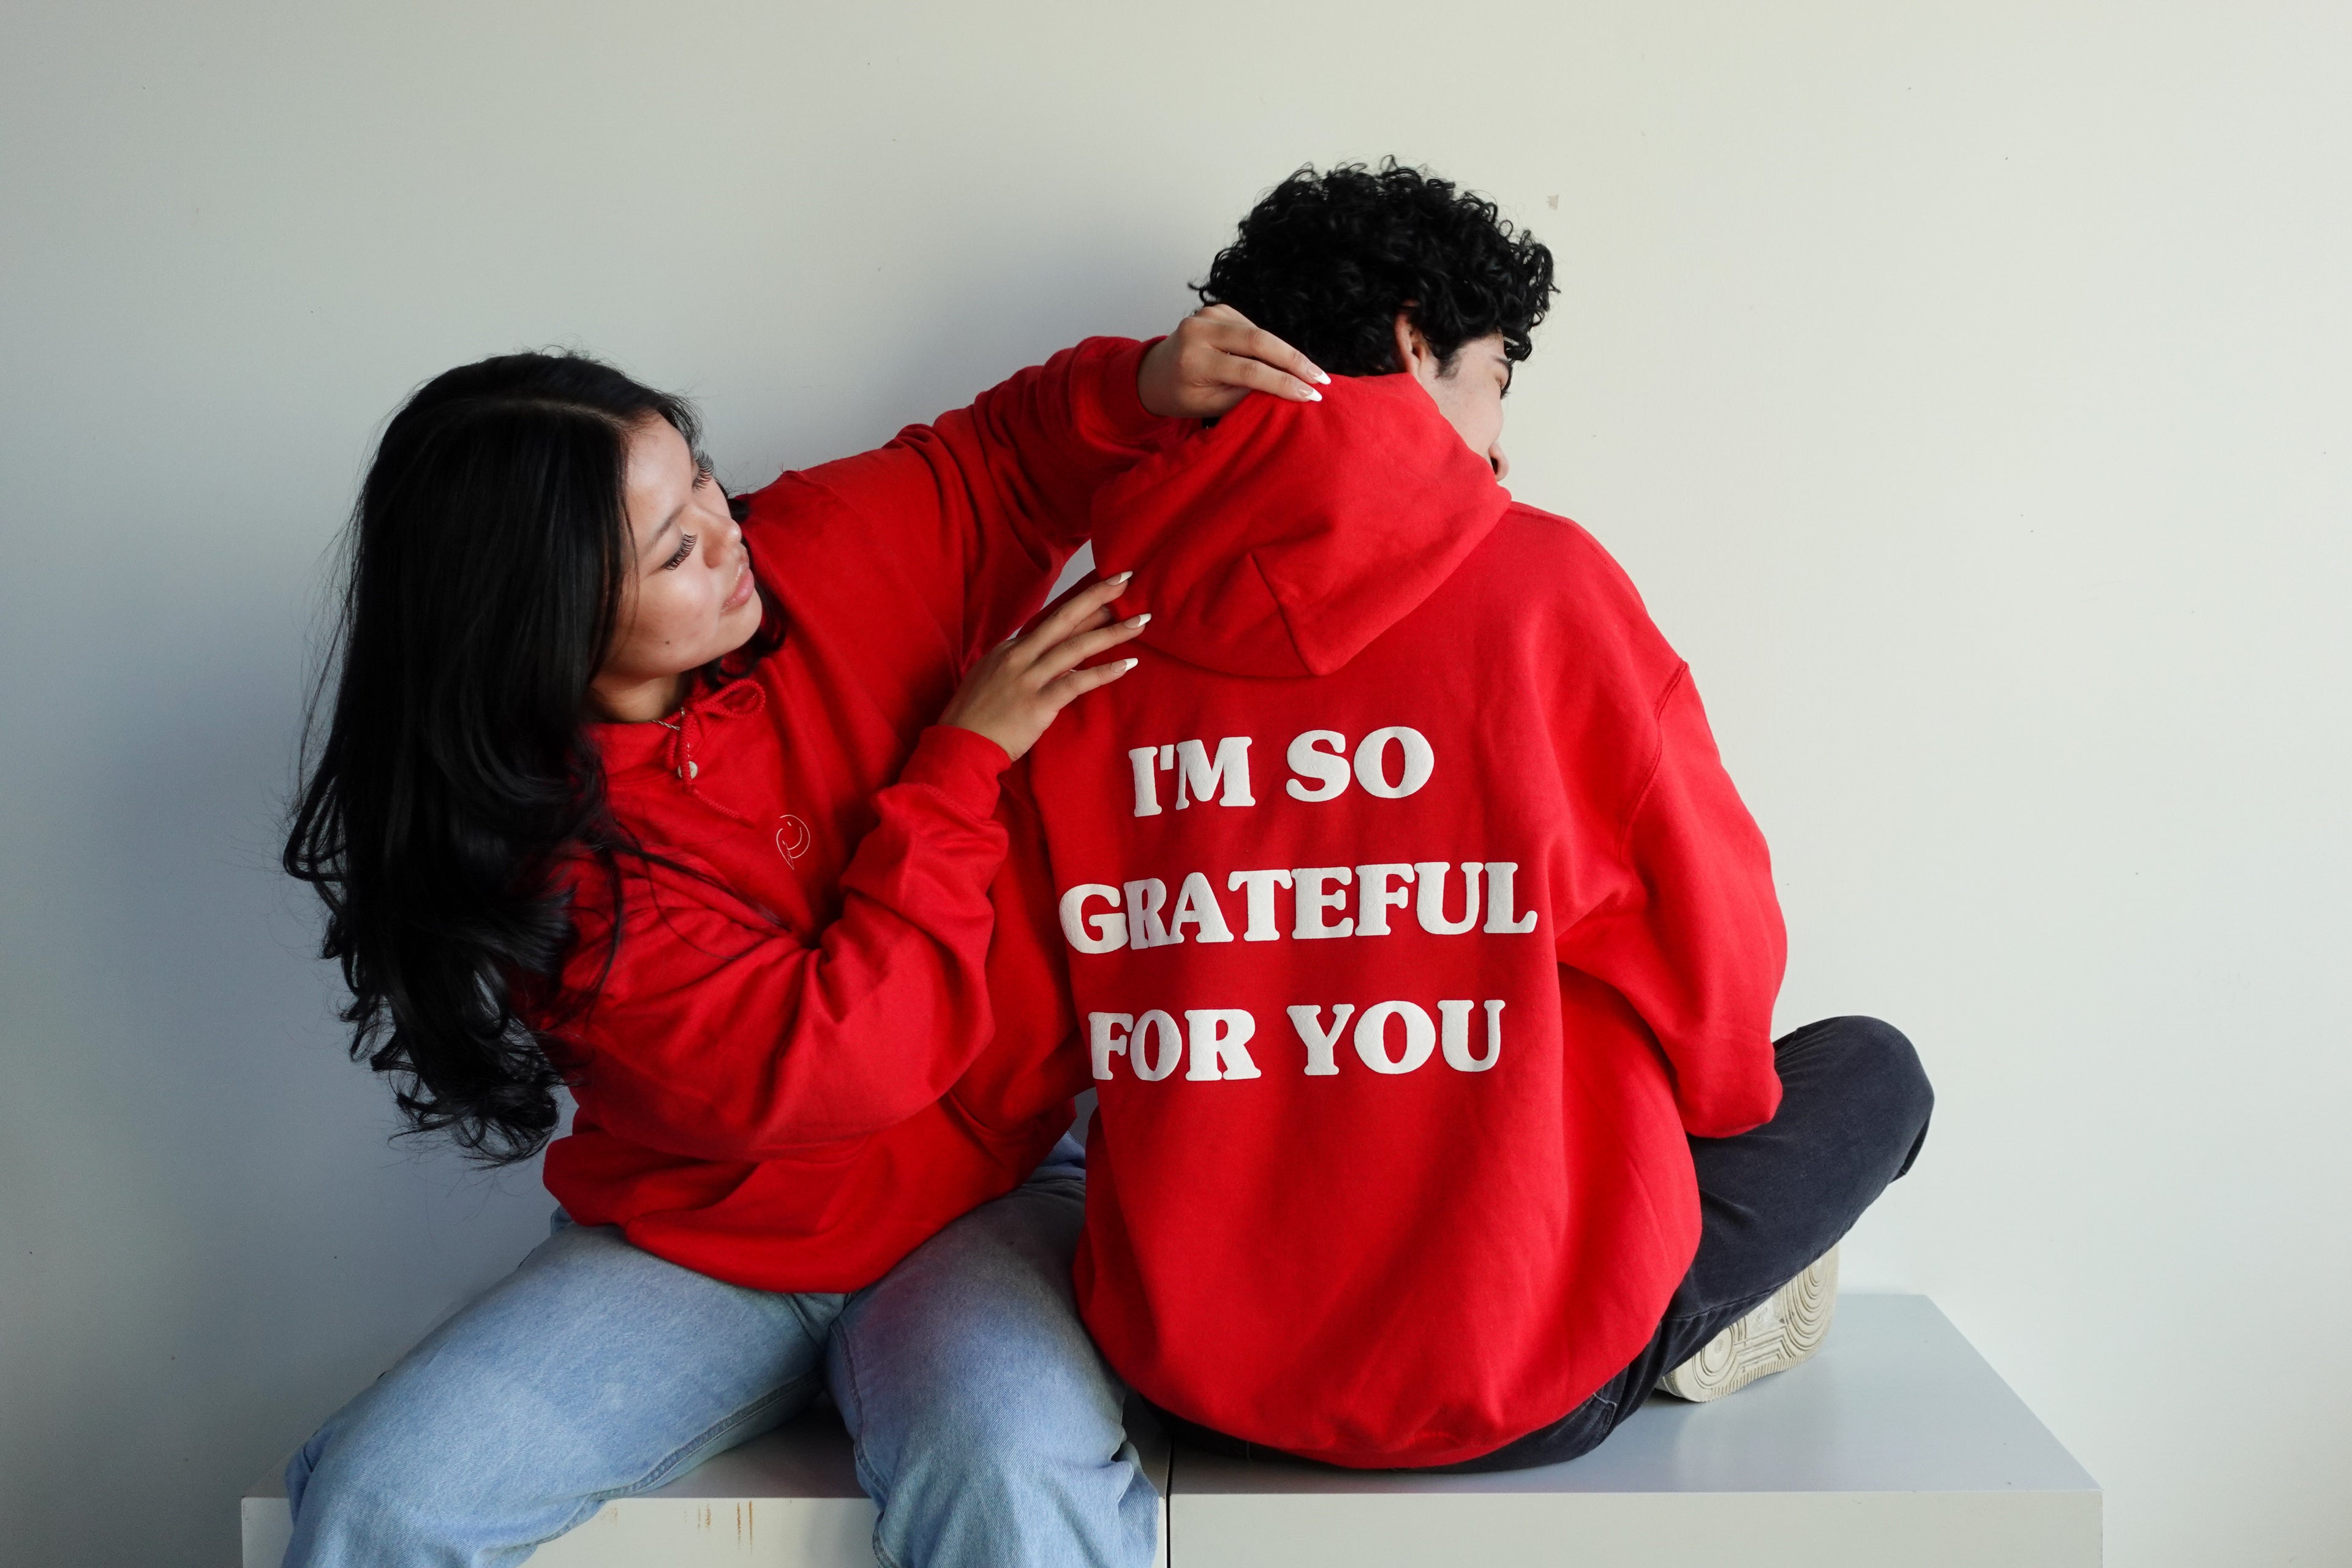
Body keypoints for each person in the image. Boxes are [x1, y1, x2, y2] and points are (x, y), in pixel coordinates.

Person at [276, 312, 1326, 1565]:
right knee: (377, 1504)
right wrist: (965, 760)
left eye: (703, 475)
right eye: (675, 547)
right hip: (703, 1244)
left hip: (984, 1206)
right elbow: (853, 1057)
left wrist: (1141, 382)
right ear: (547, 623)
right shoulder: (547, 874)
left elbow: (997, 463)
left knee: (1009, 1481)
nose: (731, 537)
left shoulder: (801, 553)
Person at [980, 160, 1936, 1470]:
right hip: (1516, 1371)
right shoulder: (1548, 588)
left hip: (1199, 1372)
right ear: (1417, 339)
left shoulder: (1086, 637)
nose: (1498, 438)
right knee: (1873, 1067)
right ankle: (1685, 1319)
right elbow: (1722, 970)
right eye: (1493, 379)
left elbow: (1023, 1037)